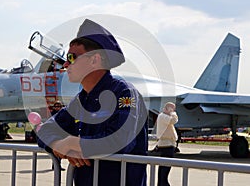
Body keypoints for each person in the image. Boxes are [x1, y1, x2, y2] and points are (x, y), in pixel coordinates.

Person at [37, 19, 148, 186]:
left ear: (95, 60)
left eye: (72, 57)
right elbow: (45, 129)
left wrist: (75, 143)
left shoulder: (124, 93)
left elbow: (120, 141)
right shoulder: (81, 100)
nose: (66, 64)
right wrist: (59, 145)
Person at [156, 102, 178, 186]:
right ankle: (163, 183)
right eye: (172, 108)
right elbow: (174, 120)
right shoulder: (163, 116)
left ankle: (162, 183)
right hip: (166, 144)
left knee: (165, 166)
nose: (173, 110)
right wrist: (173, 113)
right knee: (165, 166)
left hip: (168, 143)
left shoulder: (165, 117)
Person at [50, 100, 65, 171]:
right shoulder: (53, 115)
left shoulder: (63, 114)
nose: (57, 108)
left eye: (59, 106)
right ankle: (55, 165)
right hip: (55, 135)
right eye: (56, 106)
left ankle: (57, 165)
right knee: (56, 152)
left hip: (61, 134)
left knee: (60, 153)